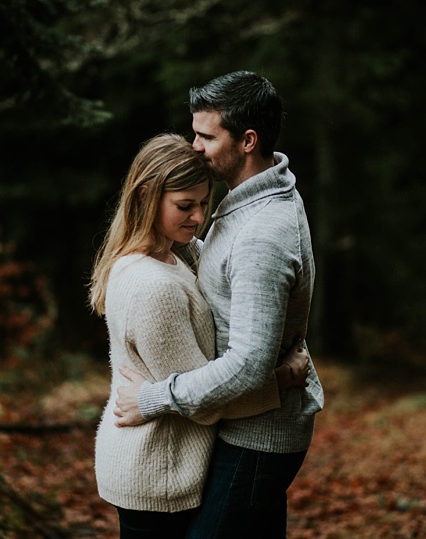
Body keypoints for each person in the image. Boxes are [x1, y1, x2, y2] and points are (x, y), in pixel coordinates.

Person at [114, 71, 324, 538]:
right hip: (244, 423)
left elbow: (247, 365)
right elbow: (225, 272)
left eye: (206, 136)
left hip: (258, 438)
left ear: (247, 140)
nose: (194, 147)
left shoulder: (261, 233)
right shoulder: (252, 199)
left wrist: (152, 399)